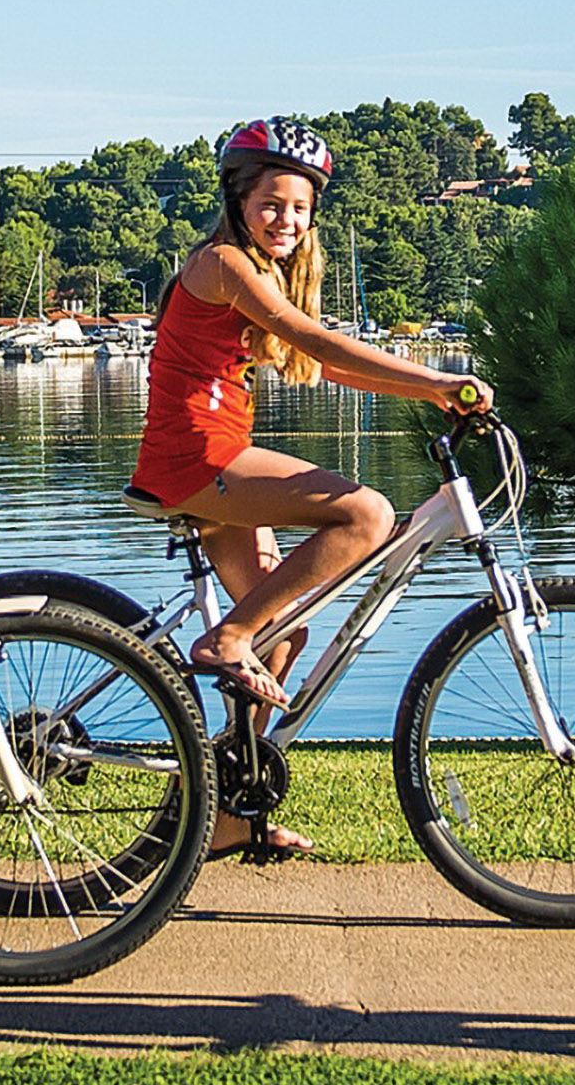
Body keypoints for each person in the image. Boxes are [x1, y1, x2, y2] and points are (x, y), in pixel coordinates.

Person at [128, 117, 490, 855]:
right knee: (367, 512)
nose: (286, 219)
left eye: (298, 207)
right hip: (195, 459)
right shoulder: (225, 262)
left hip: (213, 455)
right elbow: (319, 341)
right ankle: (224, 637)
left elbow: (326, 365)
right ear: (236, 199)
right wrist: (437, 379)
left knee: (284, 634)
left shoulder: (254, 268)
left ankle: (227, 817)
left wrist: (426, 394)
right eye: (271, 204)